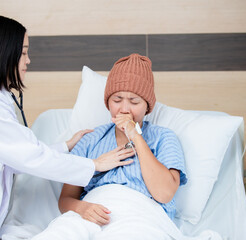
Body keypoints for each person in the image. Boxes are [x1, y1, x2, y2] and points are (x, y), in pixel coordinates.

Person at [0, 16, 134, 240]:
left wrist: (66, 145)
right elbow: (29, 157)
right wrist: (94, 164)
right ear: (3, 53)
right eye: (23, 52)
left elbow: (17, 154)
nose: (28, 60)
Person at [31, 53, 187, 239]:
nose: (124, 109)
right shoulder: (91, 139)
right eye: (117, 100)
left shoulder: (164, 138)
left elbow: (164, 194)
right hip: (89, 213)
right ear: (108, 104)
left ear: (147, 106)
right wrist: (83, 207)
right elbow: (65, 200)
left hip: (140, 216)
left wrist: (135, 136)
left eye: (134, 101)